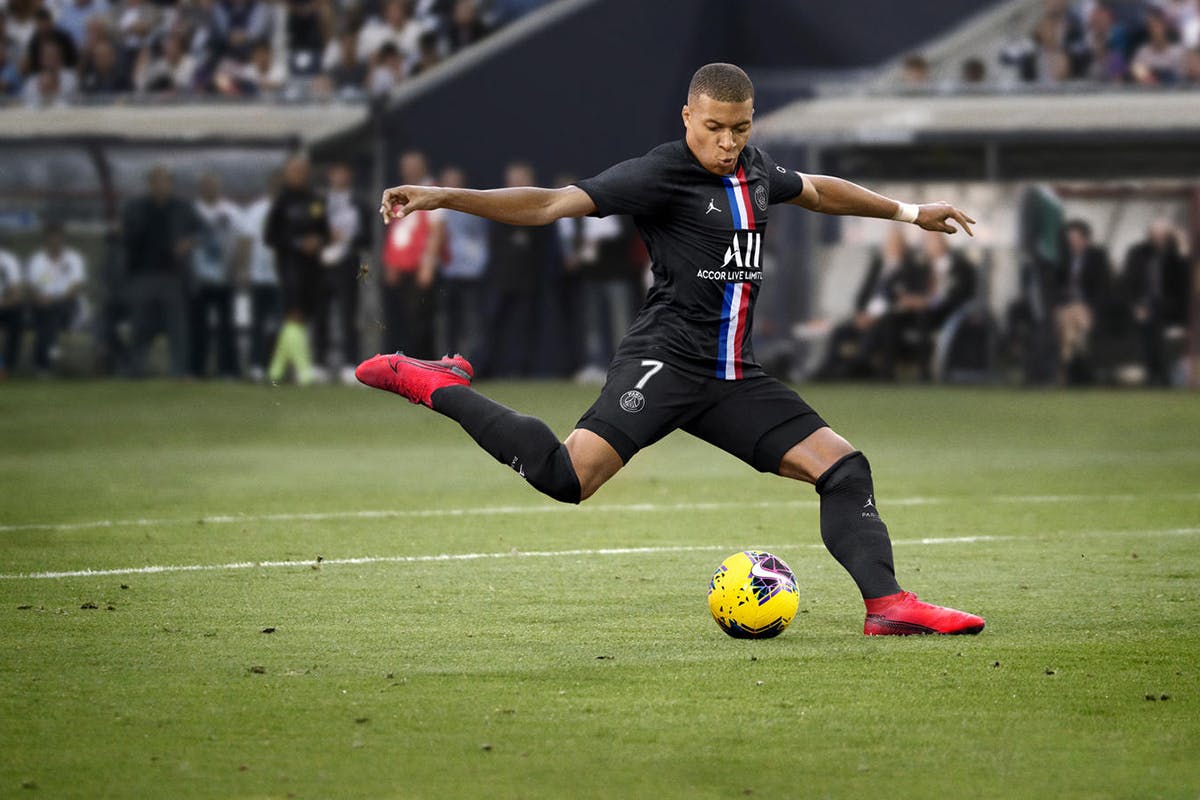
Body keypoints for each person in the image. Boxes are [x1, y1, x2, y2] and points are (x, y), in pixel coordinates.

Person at [358, 63, 985, 636]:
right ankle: (438, 384)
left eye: (740, 128)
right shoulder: (658, 173)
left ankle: (887, 607)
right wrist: (443, 196)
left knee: (845, 469)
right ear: (688, 117)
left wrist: (909, 212)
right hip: (665, 360)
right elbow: (551, 205)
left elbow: (818, 190)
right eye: (714, 127)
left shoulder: (758, 170)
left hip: (733, 376)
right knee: (566, 478)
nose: (727, 142)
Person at [122, 165, 200, 377]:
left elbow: (201, 231)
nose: (160, 185)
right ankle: (135, 369)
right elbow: (124, 236)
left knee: (177, 326)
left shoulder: (182, 207)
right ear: (149, 184)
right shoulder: (136, 207)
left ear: (170, 183)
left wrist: (188, 242)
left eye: (165, 180)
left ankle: (178, 370)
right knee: (140, 324)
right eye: (156, 181)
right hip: (143, 274)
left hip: (173, 275)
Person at [264, 154, 329, 384]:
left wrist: (318, 240)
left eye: (302, 171)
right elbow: (271, 237)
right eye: (294, 171)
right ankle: (304, 371)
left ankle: (276, 370)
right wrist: (298, 243)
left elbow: (325, 230)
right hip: (290, 265)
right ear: (287, 174)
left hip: (313, 268)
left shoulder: (316, 200)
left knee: (303, 316)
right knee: (295, 313)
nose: (299, 176)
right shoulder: (281, 202)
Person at [380, 150, 443, 356]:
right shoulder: (399, 193)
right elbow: (395, 230)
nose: (408, 170)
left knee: (420, 320)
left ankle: (423, 363)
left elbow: (436, 230)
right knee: (398, 320)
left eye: (413, 166)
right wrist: (391, 263)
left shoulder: (433, 191)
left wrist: (428, 265)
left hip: (419, 266)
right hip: (400, 266)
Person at [315, 161, 370, 383]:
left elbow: (368, 237)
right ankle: (320, 363)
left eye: (343, 172)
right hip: (322, 265)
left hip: (347, 264)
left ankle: (350, 363)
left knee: (349, 313)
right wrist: (326, 236)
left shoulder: (360, 203)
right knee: (321, 314)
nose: (339, 176)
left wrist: (348, 239)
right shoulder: (320, 202)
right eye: (335, 172)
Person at [1121, 220, 1191, 385]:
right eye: (1155, 234)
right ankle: (1156, 375)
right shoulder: (1137, 253)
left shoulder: (1177, 254)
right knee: (1148, 319)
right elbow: (1127, 284)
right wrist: (1134, 307)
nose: (1158, 238)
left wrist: (1183, 250)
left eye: (1162, 235)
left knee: (1155, 320)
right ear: (1149, 235)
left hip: (1171, 308)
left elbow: (1186, 285)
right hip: (1143, 305)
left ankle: (1157, 375)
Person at [190, 172, 241, 378]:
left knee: (226, 326)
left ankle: (228, 369)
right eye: (206, 185)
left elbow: (243, 240)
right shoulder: (192, 211)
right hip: (198, 278)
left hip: (224, 276)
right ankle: (197, 368)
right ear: (201, 188)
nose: (210, 189)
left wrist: (238, 268)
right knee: (197, 325)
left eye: (214, 185)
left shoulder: (231, 211)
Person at [437, 165, 489, 359]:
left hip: (471, 273)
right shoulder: (438, 210)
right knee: (450, 321)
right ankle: (449, 359)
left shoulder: (472, 207)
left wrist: (479, 265)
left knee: (473, 321)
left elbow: (481, 239)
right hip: (449, 272)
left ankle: (475, 361)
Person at [1053, 219, 1111, 384]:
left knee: (1072, 323)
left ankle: (1066, 367)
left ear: (1085, 239)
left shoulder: (1097, 258)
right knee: (1071, 320)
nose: (1072, 243)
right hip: (1066, 307)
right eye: (1070, 239)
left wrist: (1090, 306)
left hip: (1087, 307)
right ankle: (1079, 353)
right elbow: (1056, 287)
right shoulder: (1063, 259)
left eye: (1075, 239)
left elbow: (1103, 287)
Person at [27, 221, 87, 373]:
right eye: (51, 238)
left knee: (50, 315)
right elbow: (32, 287)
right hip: (42, 305)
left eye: (57, 238)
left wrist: (54, 300)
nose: (54, 242)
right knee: (46, 316)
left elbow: (76, 287)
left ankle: (42, 363)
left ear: (62, 239)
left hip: (67, 304)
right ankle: (51, 355)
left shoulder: (74, 259)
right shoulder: (37, 260)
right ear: (46, 240)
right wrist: (39, 298)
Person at [0, 240, 23, 376]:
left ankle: (8, 365)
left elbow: (16, 293)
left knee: (17, 315)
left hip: (5, 305)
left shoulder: (7, 261)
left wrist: (4, 302)